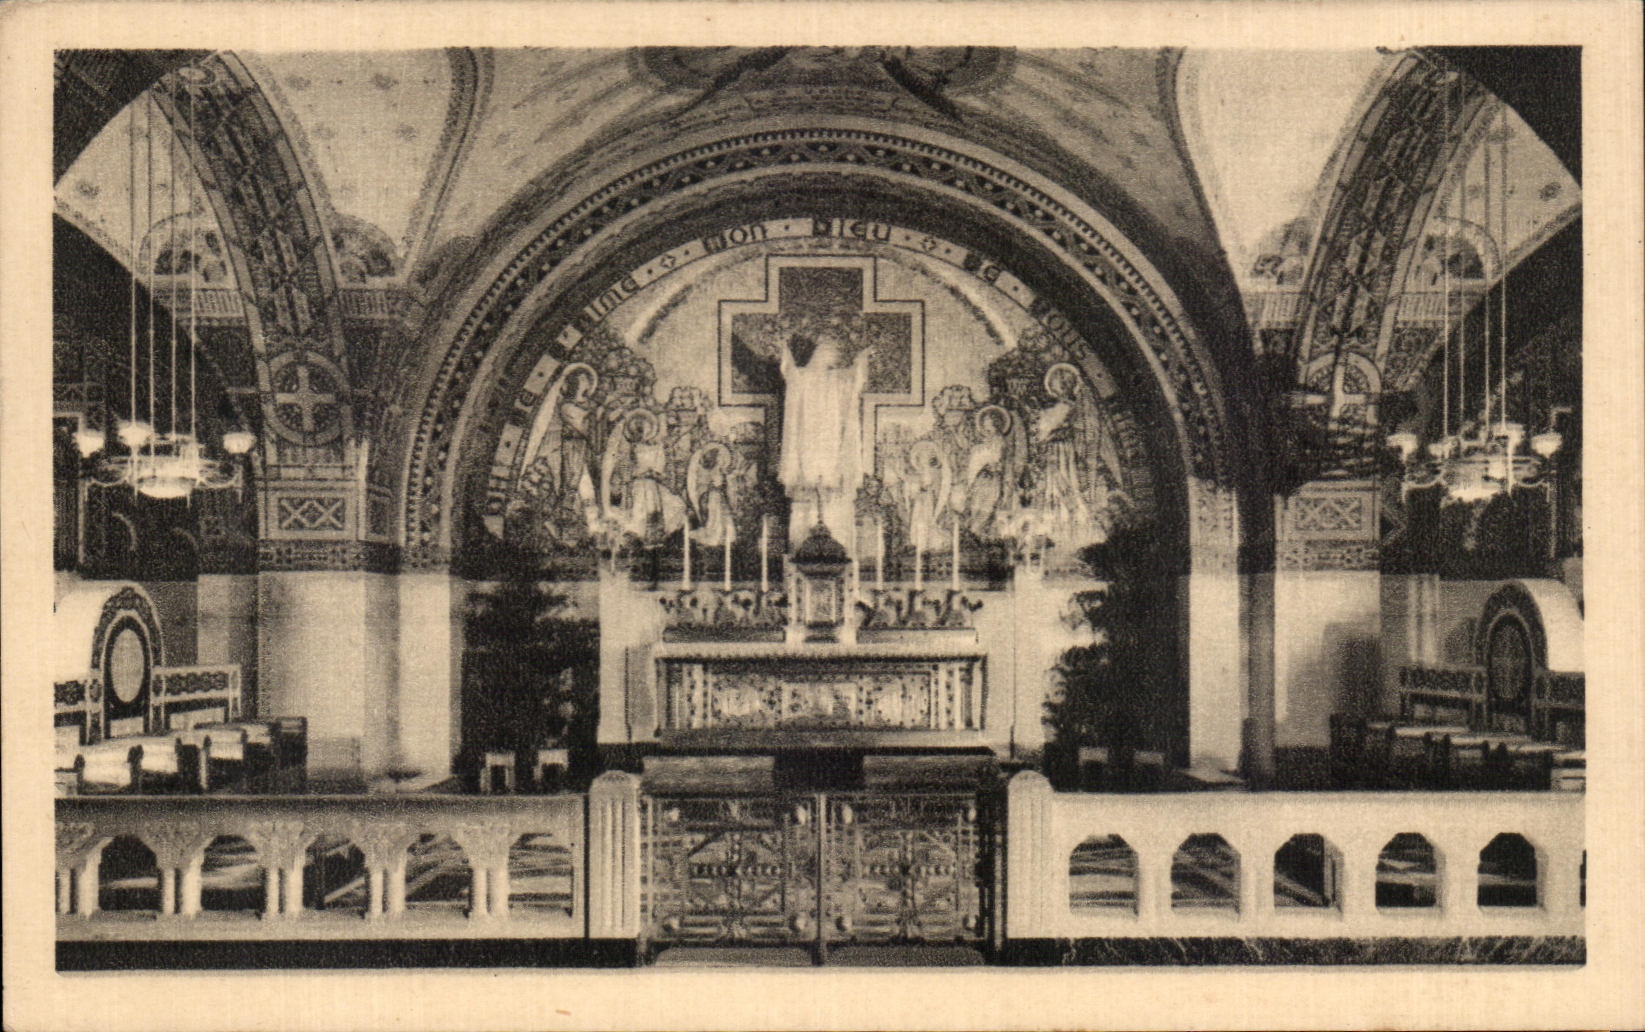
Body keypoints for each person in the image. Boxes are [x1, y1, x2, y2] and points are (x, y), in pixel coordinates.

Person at [778, 330, 871, 544]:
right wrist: (785, 352)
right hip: (808, 441)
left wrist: (860, 361)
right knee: (808, 483)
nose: (832, 358)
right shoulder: (803, 376)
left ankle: (835, 539)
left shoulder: (836, 378)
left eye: (833, 354)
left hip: (830, 443)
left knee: (831, 482)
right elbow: (791, 375)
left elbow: (852, 381)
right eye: (828, 352)